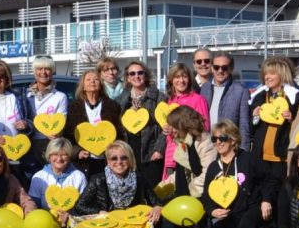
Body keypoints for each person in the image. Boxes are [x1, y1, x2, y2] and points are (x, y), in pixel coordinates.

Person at [202, 120, 274, 228]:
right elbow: (206, 196)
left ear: (233, 139)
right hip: (228, 212)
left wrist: (266, 200)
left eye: (222, 138)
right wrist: (212, 210)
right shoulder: (214, 167)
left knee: (245, 225)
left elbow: (269, 179)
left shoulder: (248, 159)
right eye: (214, 139)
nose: (218, 142)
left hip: (251, 207)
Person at [249, 56, 299, 182]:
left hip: (281, 156)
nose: (267, 77)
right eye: (265, 73)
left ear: (282, 74)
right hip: (260, 155)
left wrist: (291, 119)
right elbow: (251, 128)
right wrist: (255, 117)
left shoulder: (295, 96)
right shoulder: (259, 96)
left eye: (272, 73)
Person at [64, 68, 125, 177]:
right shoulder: (74, 107)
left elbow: (120, 132)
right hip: (84, 161)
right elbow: (68, 135)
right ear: (83, 86)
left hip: (107, 160)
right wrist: (77, 151)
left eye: (96, 79)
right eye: (88, 79)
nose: (92, 81)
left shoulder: (112, 106)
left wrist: (114, 150)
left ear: (101, 84)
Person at [162, 62, 210, 184]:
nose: (181, 81)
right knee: (170, 190)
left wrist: (179, 130)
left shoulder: (198, 99)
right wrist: (166, 129)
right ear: (171, 80)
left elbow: (204, 127)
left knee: (186, 188)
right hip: (171, 154)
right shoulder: (169, 101)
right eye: (177, 77)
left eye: (184, 77)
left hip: (188, 154)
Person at [122, 60, 167, 190]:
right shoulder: (123, 100)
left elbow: (166, 126)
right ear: (128, 78)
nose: (136, 76)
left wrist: (159, 149)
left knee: (151, 190)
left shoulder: (159, 97)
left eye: (140, 73)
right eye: (132, 73)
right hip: (130, 152)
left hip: (151, 152)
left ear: (146, 75)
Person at [23, 54, 68, 179]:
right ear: (34, 72)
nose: (43, 72)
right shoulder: (25, 95)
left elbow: (61, 121)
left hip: (49, 144)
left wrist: (55, 132)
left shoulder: (59, 96)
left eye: (47, 69)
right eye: (39, 69)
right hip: (27, 143)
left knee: (50, 177)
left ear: (52, 71)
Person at [164, 105, 217, 200]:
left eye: (175, 126)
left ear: (184, 125)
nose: (172, 130)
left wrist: (192, 190)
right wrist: (163, 187)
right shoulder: (185, 142)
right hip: (192, 193)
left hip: (206, 194)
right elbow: (182, 173)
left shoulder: (204, 142)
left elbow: (209, 173)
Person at [202, 52, 252, 151]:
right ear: (212, 68)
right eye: (216, 67)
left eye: (224, 68)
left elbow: (244, 125)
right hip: (207, 148)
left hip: (229, 148)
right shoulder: (205, 88)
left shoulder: (241, 90)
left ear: (231, 69)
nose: (220, 71)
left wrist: (244, 152)